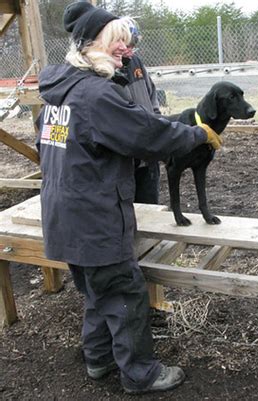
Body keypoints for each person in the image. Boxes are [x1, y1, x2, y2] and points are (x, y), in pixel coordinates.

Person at [36, 1, 222, 395]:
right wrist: (199, 134)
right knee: (125, 294)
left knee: (95, 292)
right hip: (95, 216)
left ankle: (99, 360)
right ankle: (141, 373)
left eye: (126, 41)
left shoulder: (58, 93)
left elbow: (59, 146)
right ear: (91, 46)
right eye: (116, 42)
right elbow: (151, 136)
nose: (126, 49)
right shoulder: (97, 95)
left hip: (63, 214)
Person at [120, 18, 162, 205]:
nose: (129, 49)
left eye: (133, 44)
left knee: (149, 201)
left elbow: (151, 95)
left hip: (148, 149)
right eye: (126, 43)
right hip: (126, 154)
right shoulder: (107, 70)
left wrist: (157, 125)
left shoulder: (136, 63)